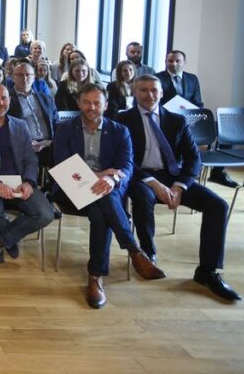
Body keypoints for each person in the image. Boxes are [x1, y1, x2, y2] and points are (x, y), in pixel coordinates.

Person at [117, 76, 240, 301]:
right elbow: (123, 160)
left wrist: (180, 186)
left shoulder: (177, 121)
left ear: (161, 93)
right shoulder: (122, 120)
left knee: (218, 205)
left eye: (154, 90)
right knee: (144, 199)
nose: (149, 95)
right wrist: (153, 183)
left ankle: (208, 271)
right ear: (134, 93)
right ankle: (147, 255)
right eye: (143, 90)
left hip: (173, 176)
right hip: (139, 176)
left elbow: (193, 158)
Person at [52, 84, 164, 309]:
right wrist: (99, 175)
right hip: (72, 186)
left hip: (109, 187)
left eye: (97, 103)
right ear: (78, 103)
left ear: (105, 105)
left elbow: (126, 166)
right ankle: (134, 250)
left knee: (101, 208)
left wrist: (111, 179)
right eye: (86, 102)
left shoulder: (120, 131)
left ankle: (95, 276)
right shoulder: (64, 128)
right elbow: (63, 165)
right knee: (103, 198)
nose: (91, 107)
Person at [0, 85, 54, 264]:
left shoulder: (20, 125)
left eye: (4, 98)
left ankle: (3, 238)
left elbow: (30, 159)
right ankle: (5, 233)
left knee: (46, 213)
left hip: (18, 182)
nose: (0, 103)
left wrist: (29, 182)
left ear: (9, 100)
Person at [7, 60, 57, 162]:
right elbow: (5, 128)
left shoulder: (46, 99)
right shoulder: (7, 99)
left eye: (28, 75)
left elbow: (56, 122)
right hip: (23, 146)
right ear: (12, 78)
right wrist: (25, 142)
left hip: (50, 144)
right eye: (20, 75)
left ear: (34, 77)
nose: (25, 78)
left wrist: (55, 141)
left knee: (70, 169)